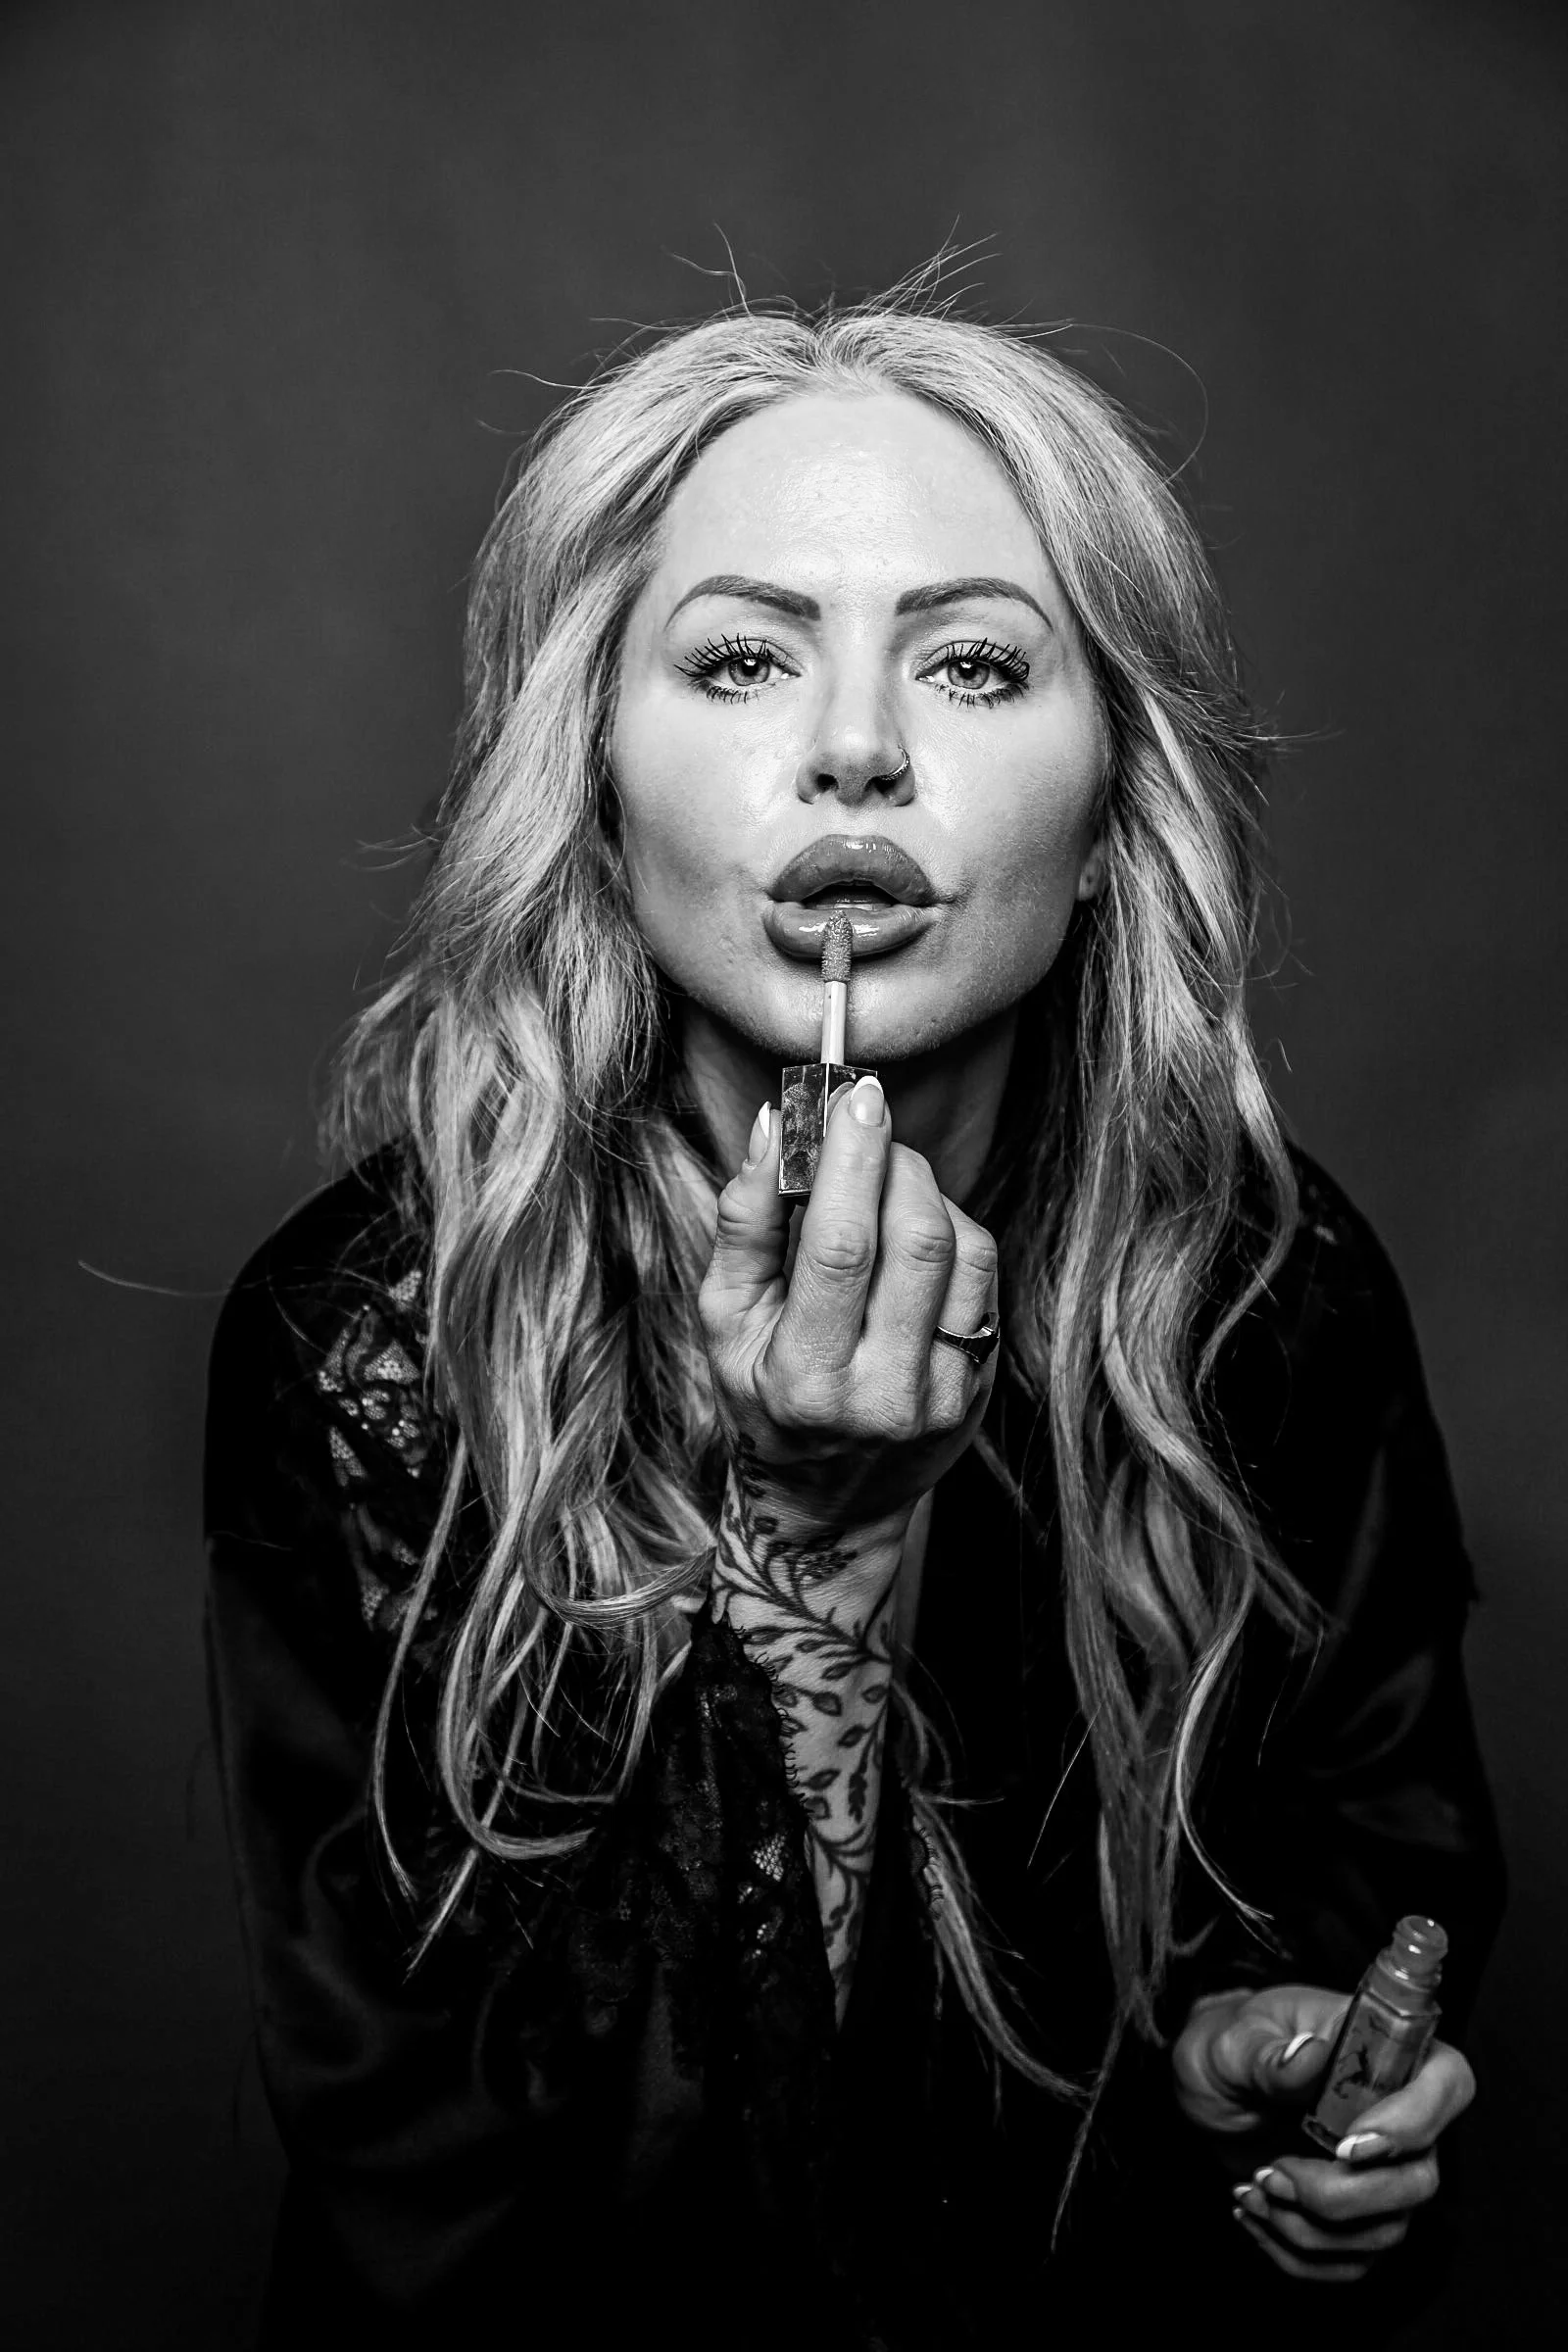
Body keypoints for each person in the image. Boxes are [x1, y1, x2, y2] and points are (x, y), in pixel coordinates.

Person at [204, 278, 1506, 2351]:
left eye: (974, 664)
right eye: (740, 659)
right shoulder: (379, 1343)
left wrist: (1261, 2054)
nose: (853, 748)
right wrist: (812, 1548)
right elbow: (484, 2207)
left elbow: (1370, 1848)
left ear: (1114, 815)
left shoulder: (1263, 1281)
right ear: (595, 789)